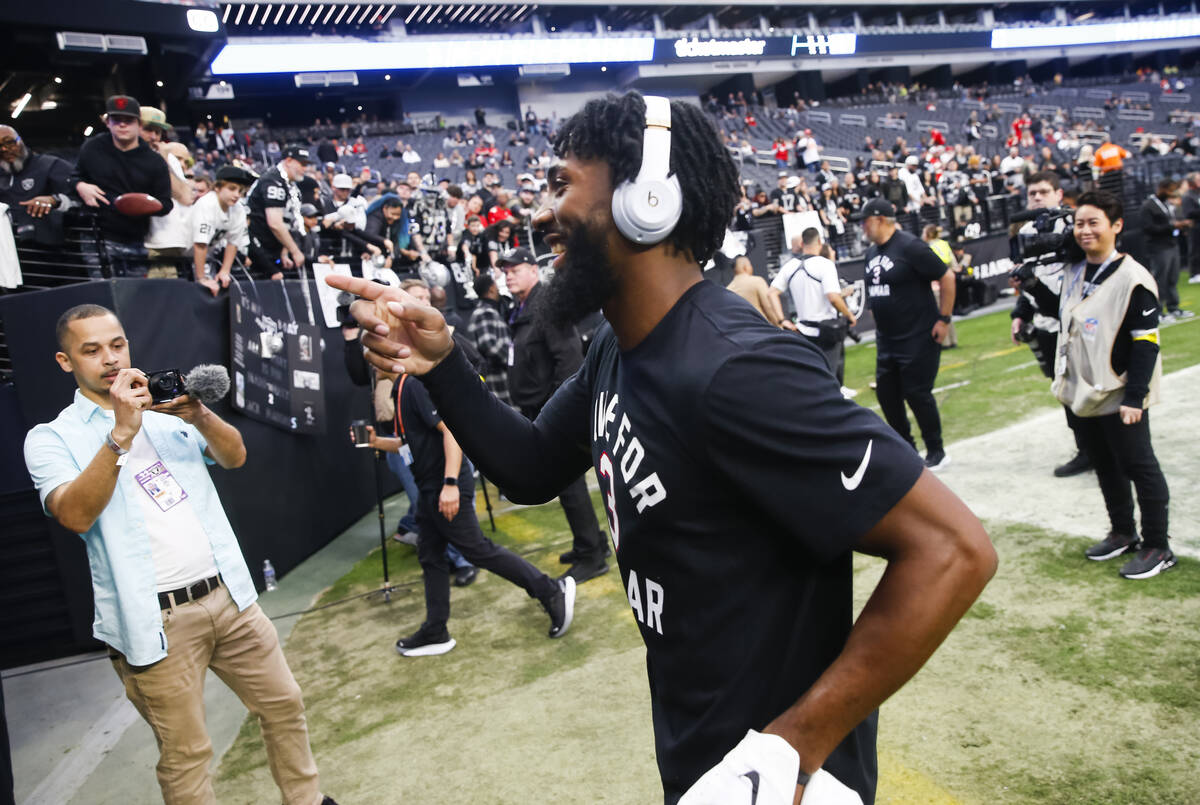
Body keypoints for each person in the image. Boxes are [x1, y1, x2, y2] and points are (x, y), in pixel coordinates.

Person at [328, 91, 995, 805]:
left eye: (562, 186)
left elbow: (954, 549)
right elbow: (529, 466)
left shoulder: (735, 370)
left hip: (776, 784)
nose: (538, 213)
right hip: (698, 754)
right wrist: (445, 364)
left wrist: (794, 744)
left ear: (648, 199)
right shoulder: (620, 344)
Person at [23, 304, 338, 805]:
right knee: (188, 754)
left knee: (285, 705)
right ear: (66, 362)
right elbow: (74, 516)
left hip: (230, 599)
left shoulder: (166, 414)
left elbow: (234, 456)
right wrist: (120, 433)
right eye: (91, 350)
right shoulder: (51, 438)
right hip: (156, 622)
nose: (110, 359)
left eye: (117, 344)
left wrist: (198, 412)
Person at [357, 334, 575, 655]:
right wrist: (377, 442)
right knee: (430, 555)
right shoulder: (404, 391)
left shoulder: (414, 387)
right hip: (430, 488)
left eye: (375, 361)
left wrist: (449, 484)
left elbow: (451, 433)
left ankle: (549, 589)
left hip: (444, 486)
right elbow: (409, 445)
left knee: (478, 550)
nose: (373, 369)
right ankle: (436, 629)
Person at [1016, 190, 1175, 579]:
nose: (1083, 231)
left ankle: (1158, 545)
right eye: (1079, 223)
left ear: (1116, 226)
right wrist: (1034, 286)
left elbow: (1145, 343)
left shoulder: (1133, 278)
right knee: (1104, 464)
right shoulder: (1075, 270)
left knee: (1140, 466)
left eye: (1093, 223)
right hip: (1084, 390)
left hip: (1119, 390)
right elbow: (1068, 311)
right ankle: (1123, 531)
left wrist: (1135, 397)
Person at [501, 246, 610, 583]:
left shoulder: (546, 305)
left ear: (533, 269)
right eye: (504, 269)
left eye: (515, 268)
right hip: (539, 407)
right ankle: (591, 544)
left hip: (551, 409)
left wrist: (557, 409)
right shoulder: (524, 306)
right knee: (567, 486)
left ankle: (592, 555)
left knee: (570, 486)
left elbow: (569, 360)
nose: (508, 274)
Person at [855, 197, 955, 470]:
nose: (862, 227)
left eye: (865, 221)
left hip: (917, 336)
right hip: (887, 339)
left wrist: (944, 319)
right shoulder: (872, 253)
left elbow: (946, 276)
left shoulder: (910, 246)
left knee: (917, 394)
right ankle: (906, 450)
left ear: (880, 220)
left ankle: (937, 451)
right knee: (887, 395)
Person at [1010, 171, 1092, 478]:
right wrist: (1019, 313)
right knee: (1065, 391)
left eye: (1044, 191)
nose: (1037, 197)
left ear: (1059, 194)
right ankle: (1086, 449)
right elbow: (1028, 277)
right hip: (1047, 325)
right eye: (1032, 193)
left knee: (1091, 389)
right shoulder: (1027, 231)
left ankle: (1106, 448)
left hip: (1079, 322)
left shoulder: (1075, 226)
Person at [71, 96, 174, 277]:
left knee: (133, 297)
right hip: (98, 236)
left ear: (139, 124)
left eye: (129, 121)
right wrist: (80, 185)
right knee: (101, 295)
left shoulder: (154, 161)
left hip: (135, 238)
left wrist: (145, 205)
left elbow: (166, 203)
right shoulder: (92, 148)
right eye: (116, 120)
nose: (122, 125)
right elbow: (73, 177)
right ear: (108, 122)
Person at [770, 229, 857, 386]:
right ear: (819, 242)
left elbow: (771, 293)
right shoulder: (825, 265)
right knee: (829, 378)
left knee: (810, 378)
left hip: (802, 330)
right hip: (827, 331)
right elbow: (833, 297)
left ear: (802, 243)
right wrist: (849, 315)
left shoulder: (790, 266)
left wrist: (782, 320)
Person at [139, 106, 195, 278]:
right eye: (148, 130)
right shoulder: (131, 158)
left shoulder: (168, 159)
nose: (154, 137)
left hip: (169, 242)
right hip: (146, 243)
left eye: (158, 132)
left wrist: (162, 159)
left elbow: (186, 197)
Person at [0, 124, 74, 246]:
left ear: (20, 141)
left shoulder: (51, 165)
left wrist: (54, 200)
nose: (4, 149)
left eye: (9, 142)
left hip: (51, 253)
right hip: (9, 252)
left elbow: (79, 199)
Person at [246, 144, 309, 280]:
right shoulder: (273, 181)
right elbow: (275, 223)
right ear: (289, 161)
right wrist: (295, 251)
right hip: (257, 249)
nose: (305, 169)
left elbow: (287, 221)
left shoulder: (291, 187)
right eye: (302, 164)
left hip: (274, 250)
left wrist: (285, 251)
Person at [190, 165, 254, 296]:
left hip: (204, 259)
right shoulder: (207, 203)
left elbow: (233, 243)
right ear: (217, 187)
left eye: (240, 191)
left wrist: (225, 271)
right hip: (182, 256)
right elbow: (200, 244)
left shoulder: (238, 209)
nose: (237, 195)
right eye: (232, 189)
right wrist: (201, 278)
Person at [1139, 179, 1193, 323]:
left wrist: (1178, 226)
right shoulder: (1148, 206)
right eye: (1170, 190)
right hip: (1158, 247)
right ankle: (1157, 311)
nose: (1172, 193)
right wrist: (1172, 226)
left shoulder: (1165, 204)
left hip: (1171, 244)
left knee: (1172, 278)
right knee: (1160, 280)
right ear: (1162, 189)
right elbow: (1147, 227)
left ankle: (1173, 307)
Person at [466, 273, 514, 406]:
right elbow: (489, 345)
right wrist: (513, 361)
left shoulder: (485, 311)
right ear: (492, 288)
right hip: (497, 380)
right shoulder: (485, 312)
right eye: (496, 285)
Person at [921, 225, 958, 349]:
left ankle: (945, 342)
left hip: (936, 284)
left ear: (928, 234)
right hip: (948, 283)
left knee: (939, 314)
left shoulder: (928, 248)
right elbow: (954, 265)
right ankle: (953, 340)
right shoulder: (944, 244)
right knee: (947, 314)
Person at [725, 255, 782, 327]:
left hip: (743, 333)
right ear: (745, 267)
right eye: (750, 265)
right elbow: (768, 307)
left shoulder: (728, 290)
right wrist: (779, 326)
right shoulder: (757, 281)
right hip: (763, 329)